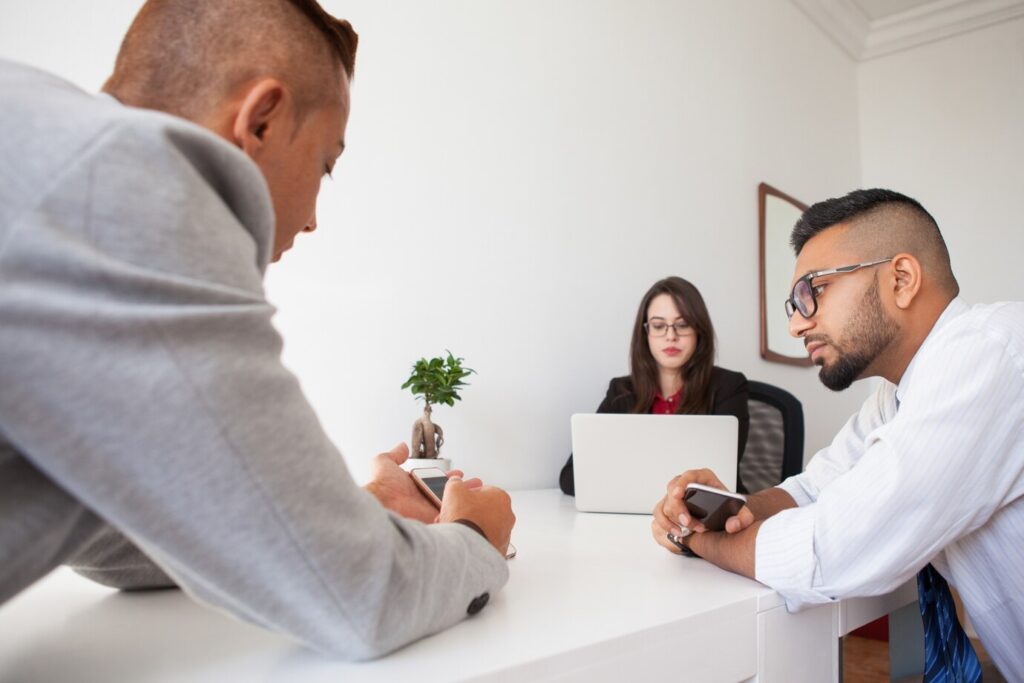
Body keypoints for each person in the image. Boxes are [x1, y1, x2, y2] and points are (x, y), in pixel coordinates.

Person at [0, 0, 515, 660]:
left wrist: (338, 515)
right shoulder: (127, 188)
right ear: (261, 121)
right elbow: (361, 595)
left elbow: (109, 531)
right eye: (325, 165)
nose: (312, 220)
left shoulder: (47, 148)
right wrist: (475, 537)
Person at [651, 189, 1024, 679]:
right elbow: (810, 490)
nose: (796, 324)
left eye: (812, 291)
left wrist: (700, 543)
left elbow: (837, 549)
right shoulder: (894, 399)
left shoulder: (992, 353)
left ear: (902, 279)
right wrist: (718, 508)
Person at [560, 276, 750, 495]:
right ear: (646, 333)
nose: (671, 336)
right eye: (659, 326)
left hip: (701, 519)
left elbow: (719, 479)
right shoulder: (621, 392)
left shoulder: (729, 387)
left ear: (699, 331)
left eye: (683, 325)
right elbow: (571, 477)